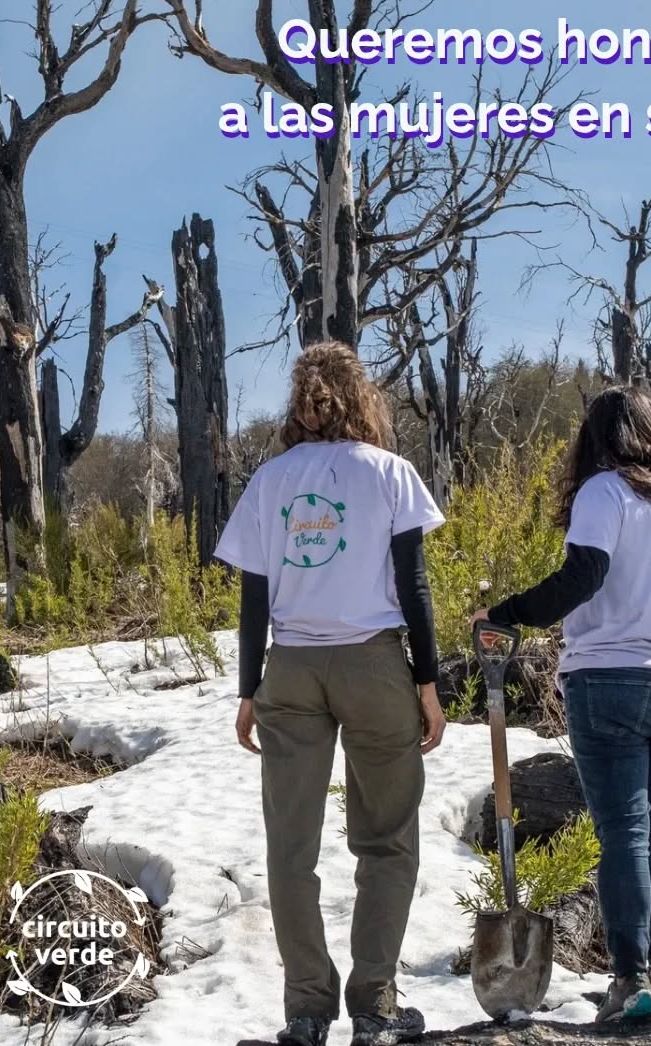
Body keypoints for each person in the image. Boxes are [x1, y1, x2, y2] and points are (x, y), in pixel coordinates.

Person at [216, 342, 447, 1046]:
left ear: (299, 403)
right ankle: (374, 1004)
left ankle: (307, 1010)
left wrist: (249, 688)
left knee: (290, 849)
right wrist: (428, 684)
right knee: (387, 841)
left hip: (290, 667)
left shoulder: (270, 480)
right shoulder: (390, 472)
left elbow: (253, 596)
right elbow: (414, 586)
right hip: (374, 666)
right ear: (361, 398)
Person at [472, 385, 651, 1024]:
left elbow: (583, 578)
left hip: (611, 680)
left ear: (595, 438)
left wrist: (505, 613)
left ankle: (629, 982)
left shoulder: (605, 492)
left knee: (625, 837)